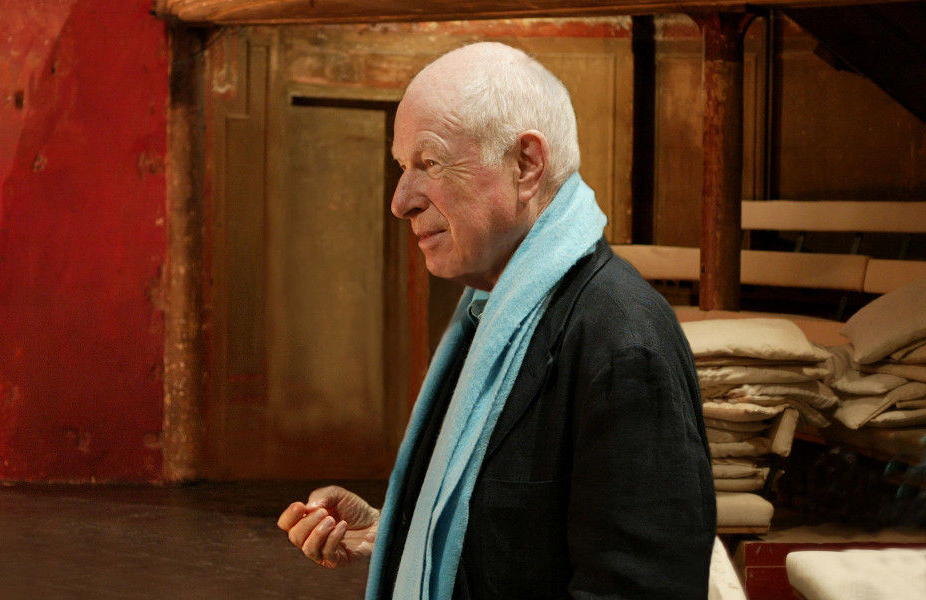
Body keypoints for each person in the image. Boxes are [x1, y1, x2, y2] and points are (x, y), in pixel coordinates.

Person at [277, 42, 715, 599]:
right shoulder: (494, 313)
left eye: (430, 164)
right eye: (403, 167)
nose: (401, 200)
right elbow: (523, 533)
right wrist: (395, 532)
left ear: (526, 165)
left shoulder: (622, 341)